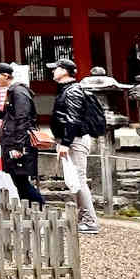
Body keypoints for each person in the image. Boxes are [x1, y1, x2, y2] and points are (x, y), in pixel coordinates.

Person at [49, 58, 100, 234]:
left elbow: (73, 118)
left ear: (64, 71)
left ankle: (90, 220)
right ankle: (82, 217)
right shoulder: (67, 90)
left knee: (78, 179)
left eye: (56, 68)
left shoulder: (73, 91)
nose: (53, 71)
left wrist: (65, 142)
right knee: (74, 179)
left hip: (75, 139)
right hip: (71, 139)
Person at [0, 62, 44, 208]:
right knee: (19, 180)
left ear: (6, 76)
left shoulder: (18, 92)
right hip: (13, 142)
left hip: (19, 144)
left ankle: (40, 207)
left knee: (21, 180)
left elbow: (22, 119)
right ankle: (31, 212)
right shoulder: (13, 91)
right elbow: (12, 118)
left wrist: (18, 147)